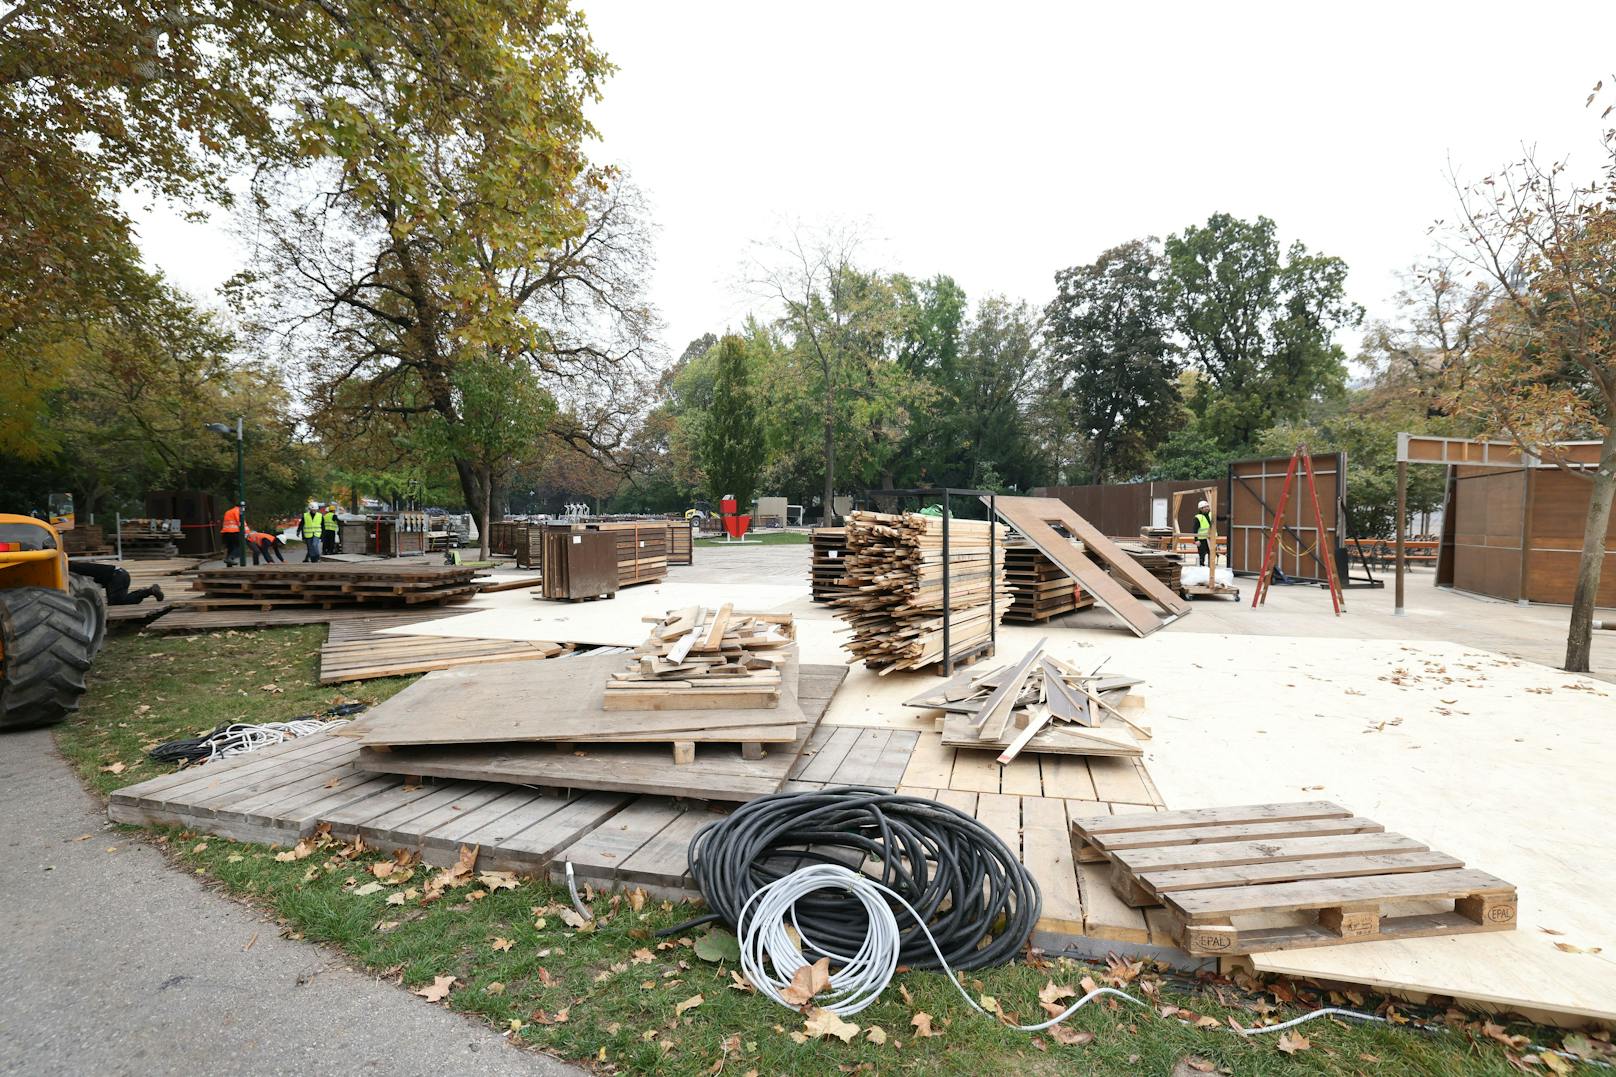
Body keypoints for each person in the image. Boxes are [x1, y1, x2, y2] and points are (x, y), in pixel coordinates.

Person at [70, 560, 164, 605]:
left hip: (116, 577)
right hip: (119, 575)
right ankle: (149, 591)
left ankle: (148, 591)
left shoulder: (72, 569)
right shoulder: (76, 567)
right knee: (113, 602)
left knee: (117, 602)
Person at [220, 500, 246, 567]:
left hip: (225, 532)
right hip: (234, 532)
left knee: (230, 548)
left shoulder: (228, 511)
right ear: (241, 507)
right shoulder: (238, 511)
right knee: (240, 546)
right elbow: (240, 522)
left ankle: (229, 564)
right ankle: (231, 558)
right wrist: (246, 532)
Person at [1194, 500, 1214, 567]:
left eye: (1207, 506)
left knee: (1211, 553)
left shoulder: (1211, 514)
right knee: (1202, 555)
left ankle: (1210, 568)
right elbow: (1195, 529)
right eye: (1205, 507)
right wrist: (1196, 539)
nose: (1207, 508)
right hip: (1201, 539)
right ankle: (1201, 567)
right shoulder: (1198, 517)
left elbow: (1218, 518)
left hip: (1210, 538)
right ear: (1200, 509)